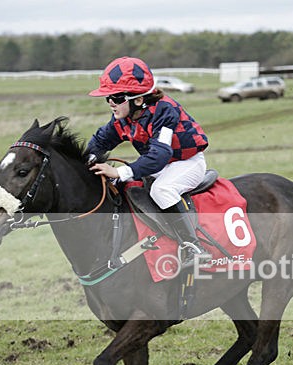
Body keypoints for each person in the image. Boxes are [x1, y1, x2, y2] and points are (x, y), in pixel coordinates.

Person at [86, 56, 211, 266]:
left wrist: (120, 172)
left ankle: (194, 247)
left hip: (186, 163)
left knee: (161, 190)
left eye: (116, 98)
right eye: (107, 97)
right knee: (121, 186)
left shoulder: (164, 111)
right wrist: (88, 160)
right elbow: (101, 140)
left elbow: (159, 156)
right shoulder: (124, 117)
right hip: (160, 164)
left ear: (138, 99)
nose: (110, 103)